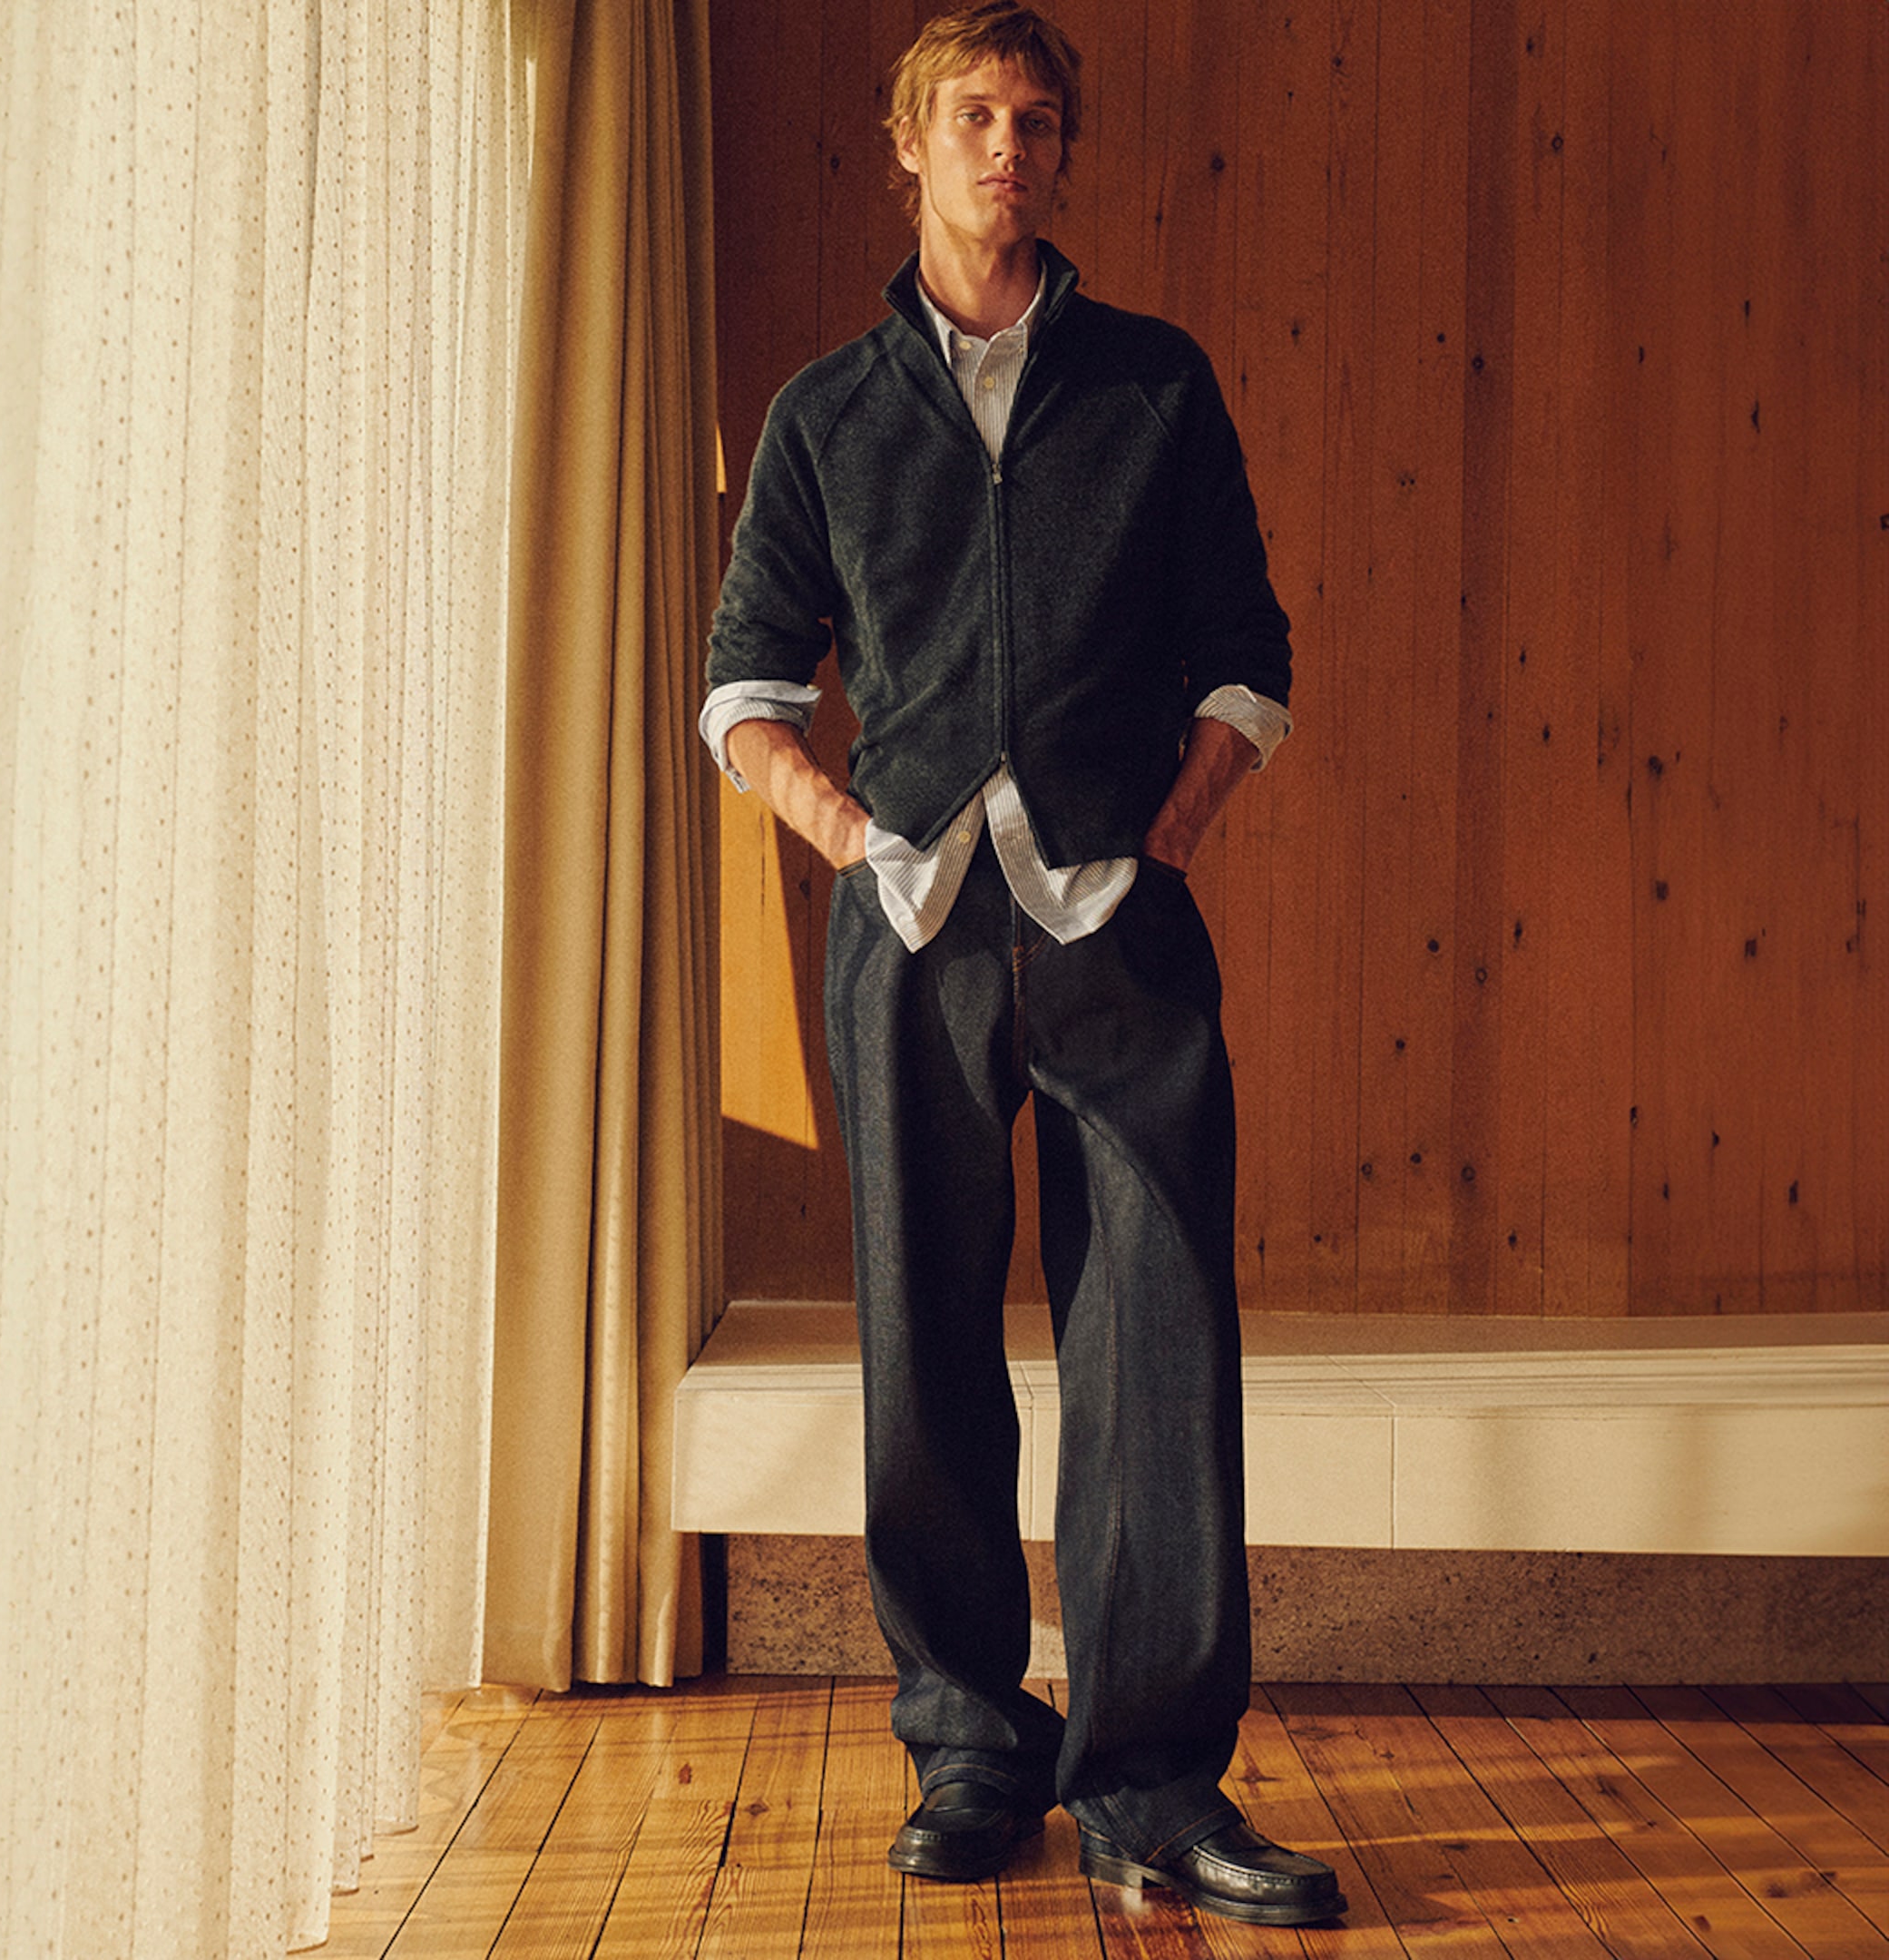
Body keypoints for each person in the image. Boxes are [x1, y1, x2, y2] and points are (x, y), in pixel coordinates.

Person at [701, 1, 1344, 1929]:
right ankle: (971, 1749)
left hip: (1116, 927)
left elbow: (1249, 655)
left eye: (1038, 120)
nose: (1009, 146)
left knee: (1159, 1345)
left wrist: (1173, 834)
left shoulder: (1154, 388)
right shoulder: (827, 415)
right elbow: (743, 689)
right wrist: (853, 839)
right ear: (908, 143)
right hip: (911, 931)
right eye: (974, 114)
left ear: (1062, 154)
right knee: (923, 1345)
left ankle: (1152, 1783)